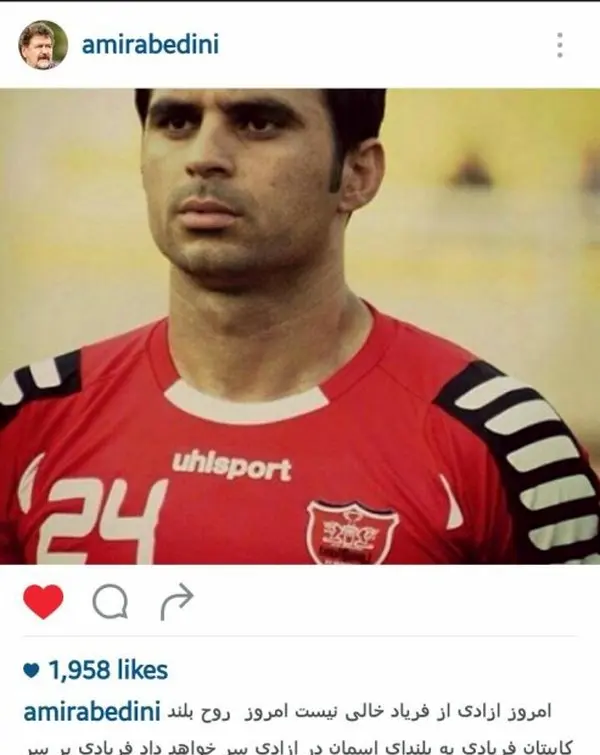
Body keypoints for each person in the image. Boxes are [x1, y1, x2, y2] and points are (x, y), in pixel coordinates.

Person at [1, 88, 598, 564]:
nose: (203, 155)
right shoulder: (25, 418)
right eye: (176, 122)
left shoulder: (507, 446)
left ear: (358, 173)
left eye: (259, 123)